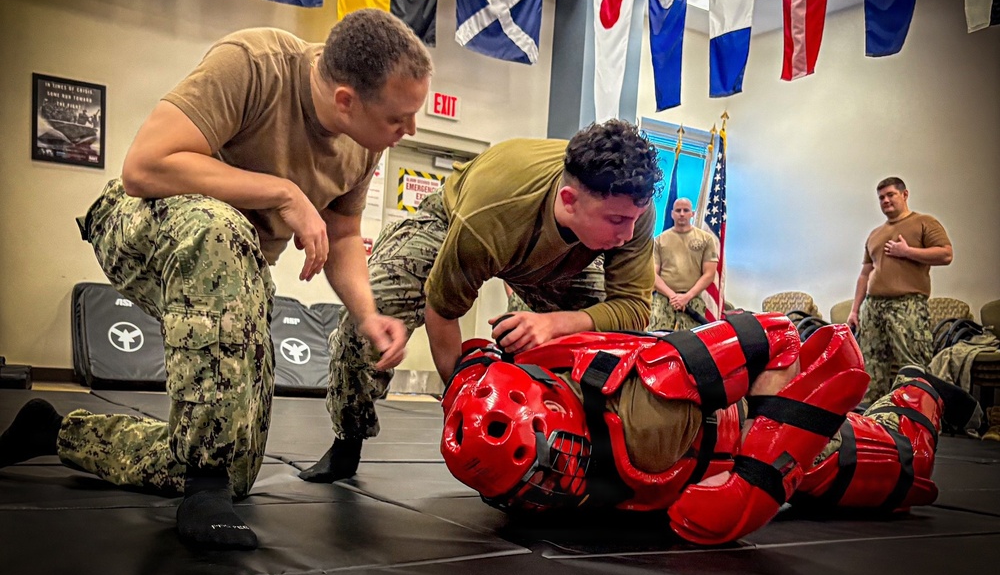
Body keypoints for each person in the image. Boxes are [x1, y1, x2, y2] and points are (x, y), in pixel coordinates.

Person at [0, 9, 432, 550]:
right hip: (141, 224)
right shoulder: (254, 64)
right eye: (400, 118)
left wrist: (369, 317)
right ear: (346, 98)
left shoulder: (364, 142)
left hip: (232, 273)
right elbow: (144, 167)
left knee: (235, 466)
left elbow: (343, 234)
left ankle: (56, 432)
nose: (410, 130)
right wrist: (283, 192)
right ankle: (202, 485)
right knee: (220, 227)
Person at [299, 119, 663, 483]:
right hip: (454, 219)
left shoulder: (629, 207)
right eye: (617, 220)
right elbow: (441, 311)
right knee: (368, 320)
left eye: (634, 219)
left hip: (566, 254)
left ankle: (583, 453)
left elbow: (632, 310)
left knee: (617, 346)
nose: (628, 235)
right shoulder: (491, 216)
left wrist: (554, 323)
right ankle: (348, 441)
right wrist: (466, 406)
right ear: (569, 201)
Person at [440, 313, 976, 544]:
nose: (550, 487)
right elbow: (472, 358)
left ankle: (919, 389)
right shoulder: (509, 397)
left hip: (741, 435)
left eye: (551, 462)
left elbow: (794, 339)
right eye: (530, 484)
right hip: (700, 445)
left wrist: (760, 478)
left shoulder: (648, 410)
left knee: (904, 463)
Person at [847, 177, 953, 404]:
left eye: (890, 195)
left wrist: (907, 251)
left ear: (904, 195)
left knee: (913, 364)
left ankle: (919, 416)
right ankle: (873, 420)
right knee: (872, 364)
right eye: (881, 198)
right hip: (873, 307)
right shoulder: (875, 233)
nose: (885, 200)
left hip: (907, 304)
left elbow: (946, 255)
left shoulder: (924, 222)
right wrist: (855, 310)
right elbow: (865, 273)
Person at [649, 197, 718, 331]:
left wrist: (687, 296)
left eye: (686, 210)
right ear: (672, 213)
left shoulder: (706, 239)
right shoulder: (659, 240)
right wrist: (672, 296)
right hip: (663, 299)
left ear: (692, 214)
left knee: (692, 346)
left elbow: (709, 273)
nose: (681, 213)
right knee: (657, 342)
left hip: (692, 300)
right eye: (678, 210)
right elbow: (653, 274)